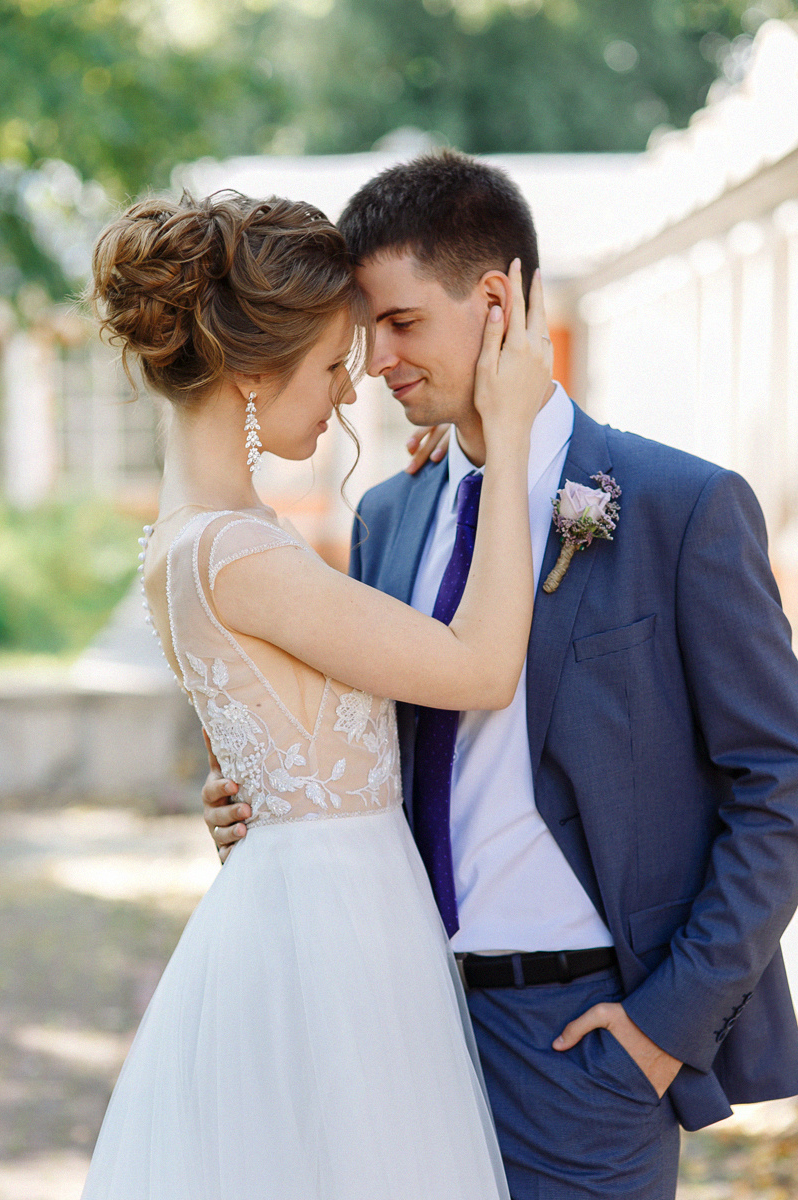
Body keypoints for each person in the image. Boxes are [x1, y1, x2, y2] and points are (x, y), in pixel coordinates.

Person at [206, 152, 798, 1200]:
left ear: (492, 304)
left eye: (397, 323)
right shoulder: (389, 514)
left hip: (583, 1047)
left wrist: (662, 1030)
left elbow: (777, 785)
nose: (374, 361)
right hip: (396, 1024)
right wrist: (275, 799)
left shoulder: (678, 507)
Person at [79, 189, 553, 1200]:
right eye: (333, 365)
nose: (349, 393)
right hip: (335, 924)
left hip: (319, 896)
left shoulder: (199, 532)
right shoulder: (233, 548)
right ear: (252, 373)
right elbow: (478, 669)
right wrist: (504, 443)